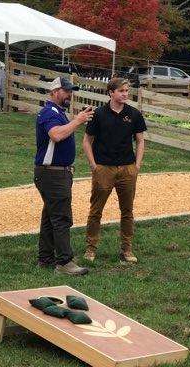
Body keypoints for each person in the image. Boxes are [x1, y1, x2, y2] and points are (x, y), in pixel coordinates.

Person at [83, 77, 146, 263]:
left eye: (126, 91)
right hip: (103, 168)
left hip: (127, 169)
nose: (125, 94)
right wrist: (94, 166)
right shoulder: (99, 114)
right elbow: (87, 141)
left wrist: (137, 165)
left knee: (127, 211)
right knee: (96, 211)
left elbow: (140, 140)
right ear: (111, 93)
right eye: (121, 91)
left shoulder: (134, 114)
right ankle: (90, 249)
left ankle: (127, 249)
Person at [34, 77, 93, 275]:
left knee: (50, 218)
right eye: (66, 91)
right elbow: (56, 135)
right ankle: (64, 262)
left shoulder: (58, 113)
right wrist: (78, 120)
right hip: (53, 175)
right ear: (54, 91)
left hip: (55, 174)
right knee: (61, 218)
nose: (70, 94)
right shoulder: (49, 112)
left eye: (71, 91)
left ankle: (46, 258)